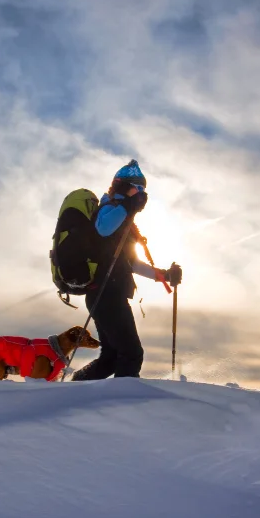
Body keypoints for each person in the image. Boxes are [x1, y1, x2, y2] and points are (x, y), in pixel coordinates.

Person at [71, 160, 182, 381]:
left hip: (109, 294)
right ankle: (121, 408)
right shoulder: (110, 208)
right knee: (132, 354)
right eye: (137, 188)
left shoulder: (124, 219)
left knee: (111, 357)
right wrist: (128, 206)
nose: (141, 194)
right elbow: (103, 230)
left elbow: (131, 263)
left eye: (143, 190)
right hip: (105, 294)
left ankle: (75, 389)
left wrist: (164, 275)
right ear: (122, 186)